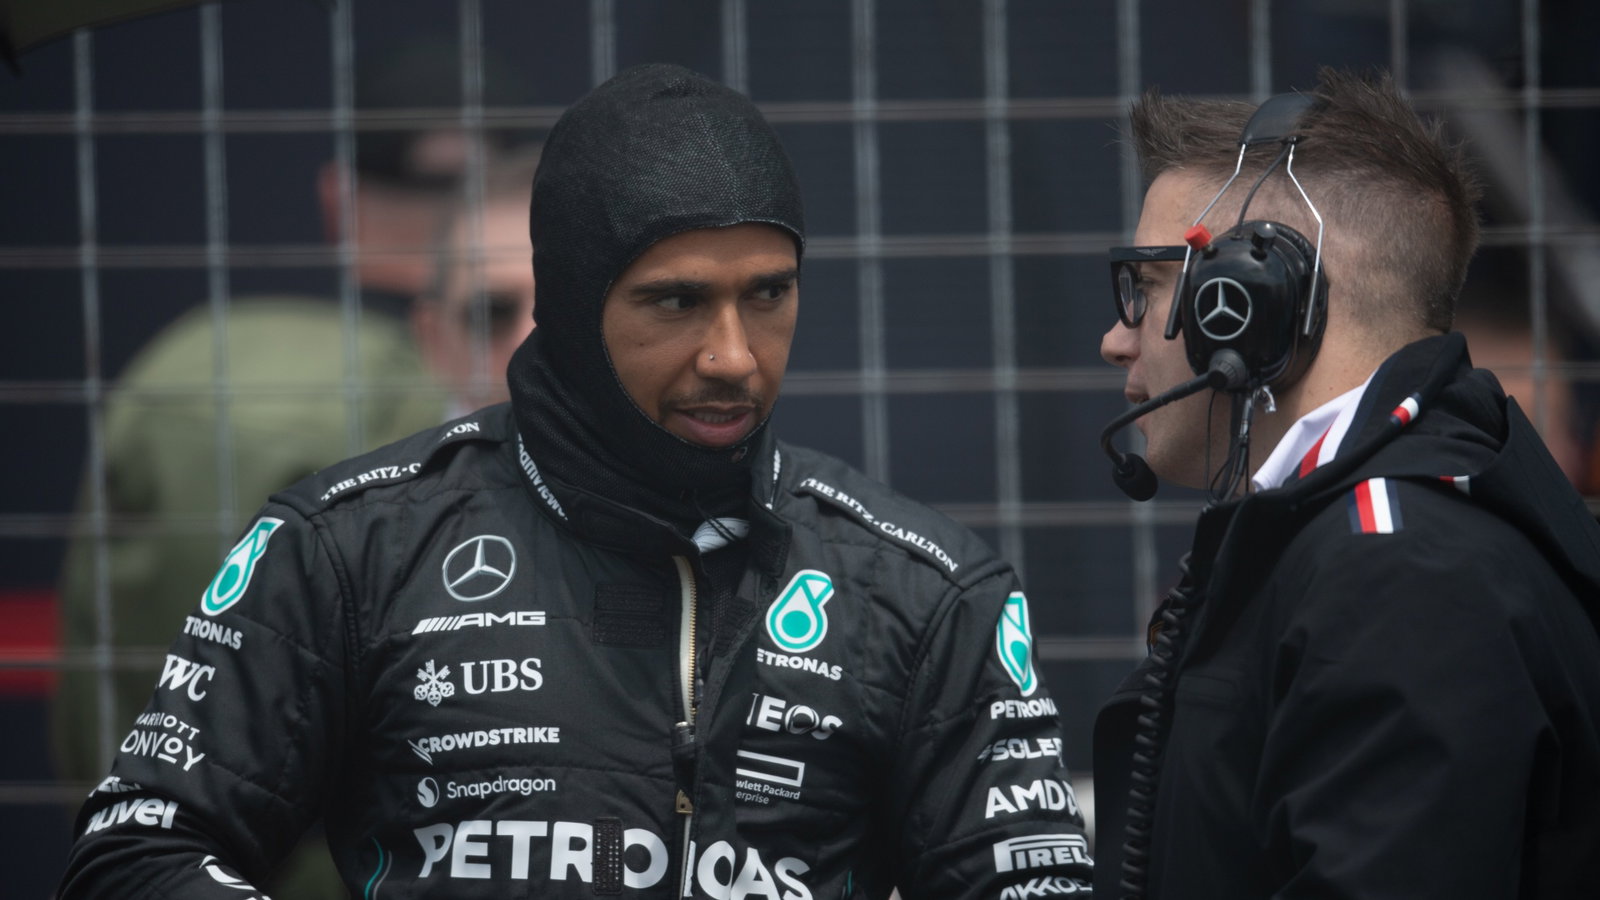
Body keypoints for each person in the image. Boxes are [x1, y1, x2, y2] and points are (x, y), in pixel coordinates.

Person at [58, 63, 1091, 899]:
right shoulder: (350, 546)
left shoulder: (923, 589)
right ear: (571, 303)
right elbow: (134, 852)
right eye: (675, 302)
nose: (733, 355)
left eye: (768, 295)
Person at [1092, 68, 1600, 898]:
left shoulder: (1401, 575)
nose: (1117, 338)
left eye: (1144, 288)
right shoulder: (1382, 535)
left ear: (1249, 303)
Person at [50, 145, 537, 899]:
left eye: (563, 307)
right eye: (491, 311)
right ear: (435, 333)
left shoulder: (720, 524)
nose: (531, 342)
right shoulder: (334, 531)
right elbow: (147, 815)